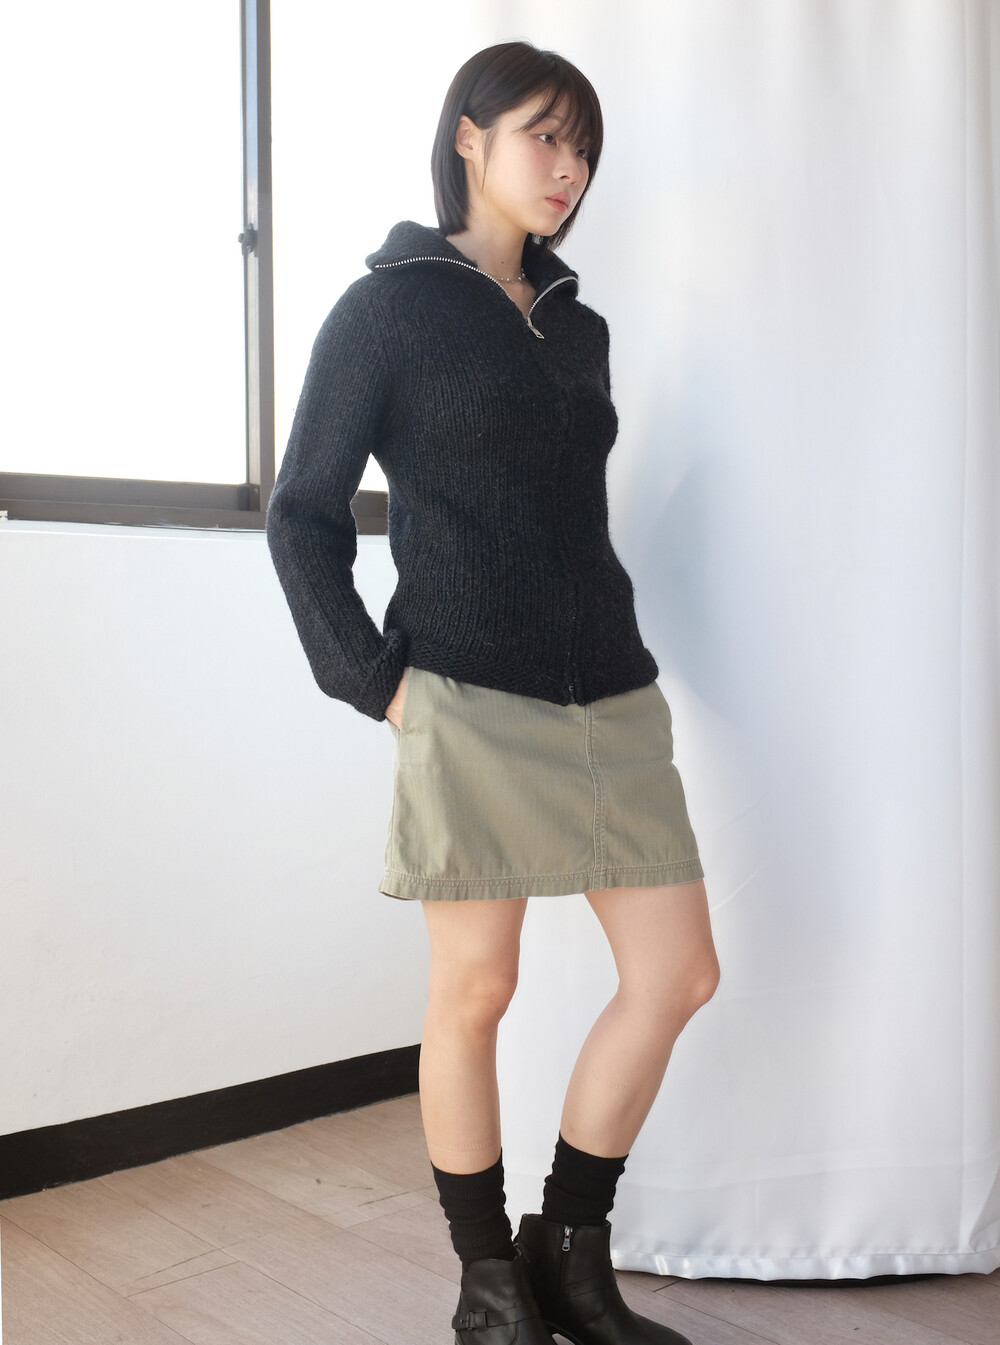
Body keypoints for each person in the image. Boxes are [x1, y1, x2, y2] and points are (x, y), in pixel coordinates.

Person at [265, 39, 721, 1345]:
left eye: (584, 148)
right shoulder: (387, 310)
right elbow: (302, 513)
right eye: (543, 136)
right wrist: (378, 683)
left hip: (610, 693)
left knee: (677, 974)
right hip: (463, 692)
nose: (568, 169)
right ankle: (486, 1285)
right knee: (476, 993)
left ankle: (569, 1253)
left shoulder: (579, 328)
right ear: (469, 137)